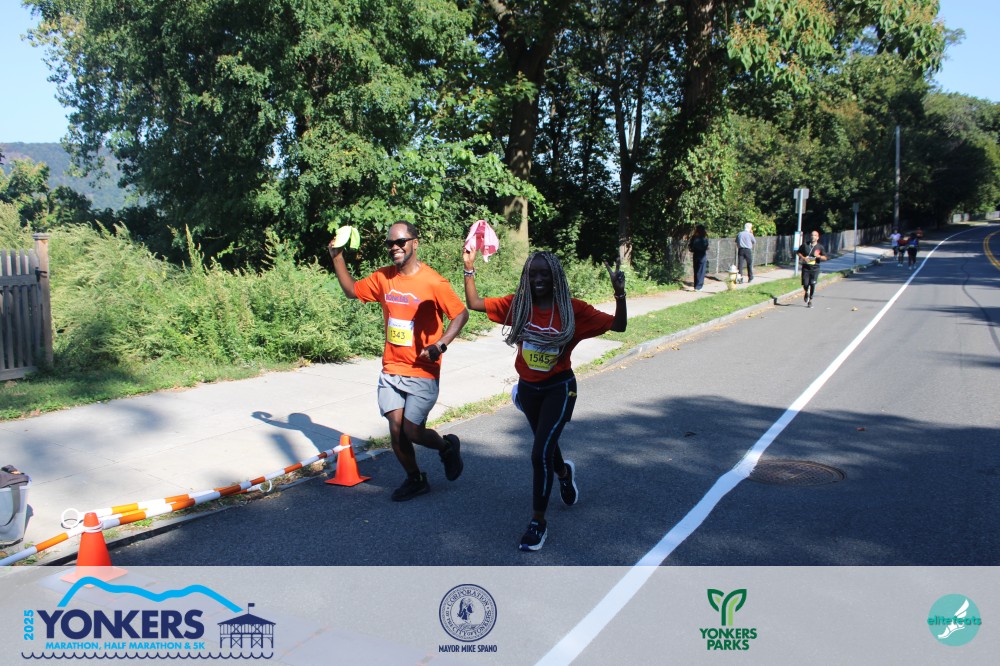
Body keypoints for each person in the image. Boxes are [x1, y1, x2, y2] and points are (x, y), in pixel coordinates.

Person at [461, 249, 626, 552]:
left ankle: (538, 522)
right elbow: (474, 303)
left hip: (558, 389)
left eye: (544, 274)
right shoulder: (518, 305)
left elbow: (618, 325)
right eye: (532, 273)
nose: (538, 279)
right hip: (528, 390)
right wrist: (469, 268)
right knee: (545, 446)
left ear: (555, 277)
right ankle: (564, 473)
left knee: (539, 454)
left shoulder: (573, 310)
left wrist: (620, 294)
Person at [328, 222, 470, 501]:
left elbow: (460, 314)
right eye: (390, 243)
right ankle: (415, 479)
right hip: (392, 367)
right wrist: (337, 256)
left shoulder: (433, 282)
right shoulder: (383, 277)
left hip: (423, 369)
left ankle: (446, 448)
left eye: (400, 242)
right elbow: (352, 290)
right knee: (396, 429)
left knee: (412, 430)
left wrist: (440, 344)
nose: (395, 247)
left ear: (415, 243)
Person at [797, 229, 828, 308]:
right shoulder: (805, 245)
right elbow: (798, 252)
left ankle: (810, 300)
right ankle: (806, 292)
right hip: (806, 267)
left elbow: (825, 257)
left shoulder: (820, 247)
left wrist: (819, 256)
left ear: (818, 237)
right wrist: (803, 258)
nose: (813, 237)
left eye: (815, 235)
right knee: (805, 284)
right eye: (812, 235)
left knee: (812, 284)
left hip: (815, 268)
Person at [688, 224, 709, 291]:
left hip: (695, 254)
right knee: (701, 271)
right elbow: (706, 246)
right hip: (702, 255)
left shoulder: (694, 238)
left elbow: (690, 246)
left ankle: (695, 285)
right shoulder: (704, 238)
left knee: (696, 270)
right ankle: (699, 286)